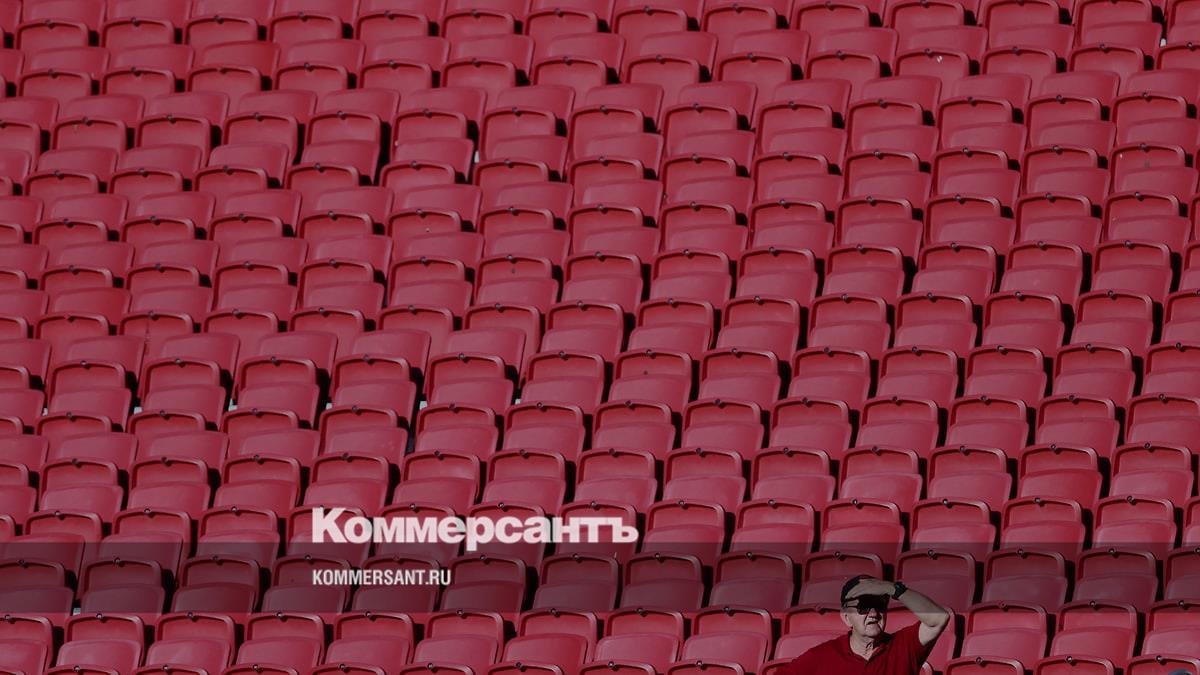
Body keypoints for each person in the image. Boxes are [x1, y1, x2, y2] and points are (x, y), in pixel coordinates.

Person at [779, 575, 952, 674]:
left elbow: (939, 619)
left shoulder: (903, 646)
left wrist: (894, 589)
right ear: (846, 617)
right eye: (863, 607)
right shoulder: (823, 656)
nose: (874, 614)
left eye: (879, 606)